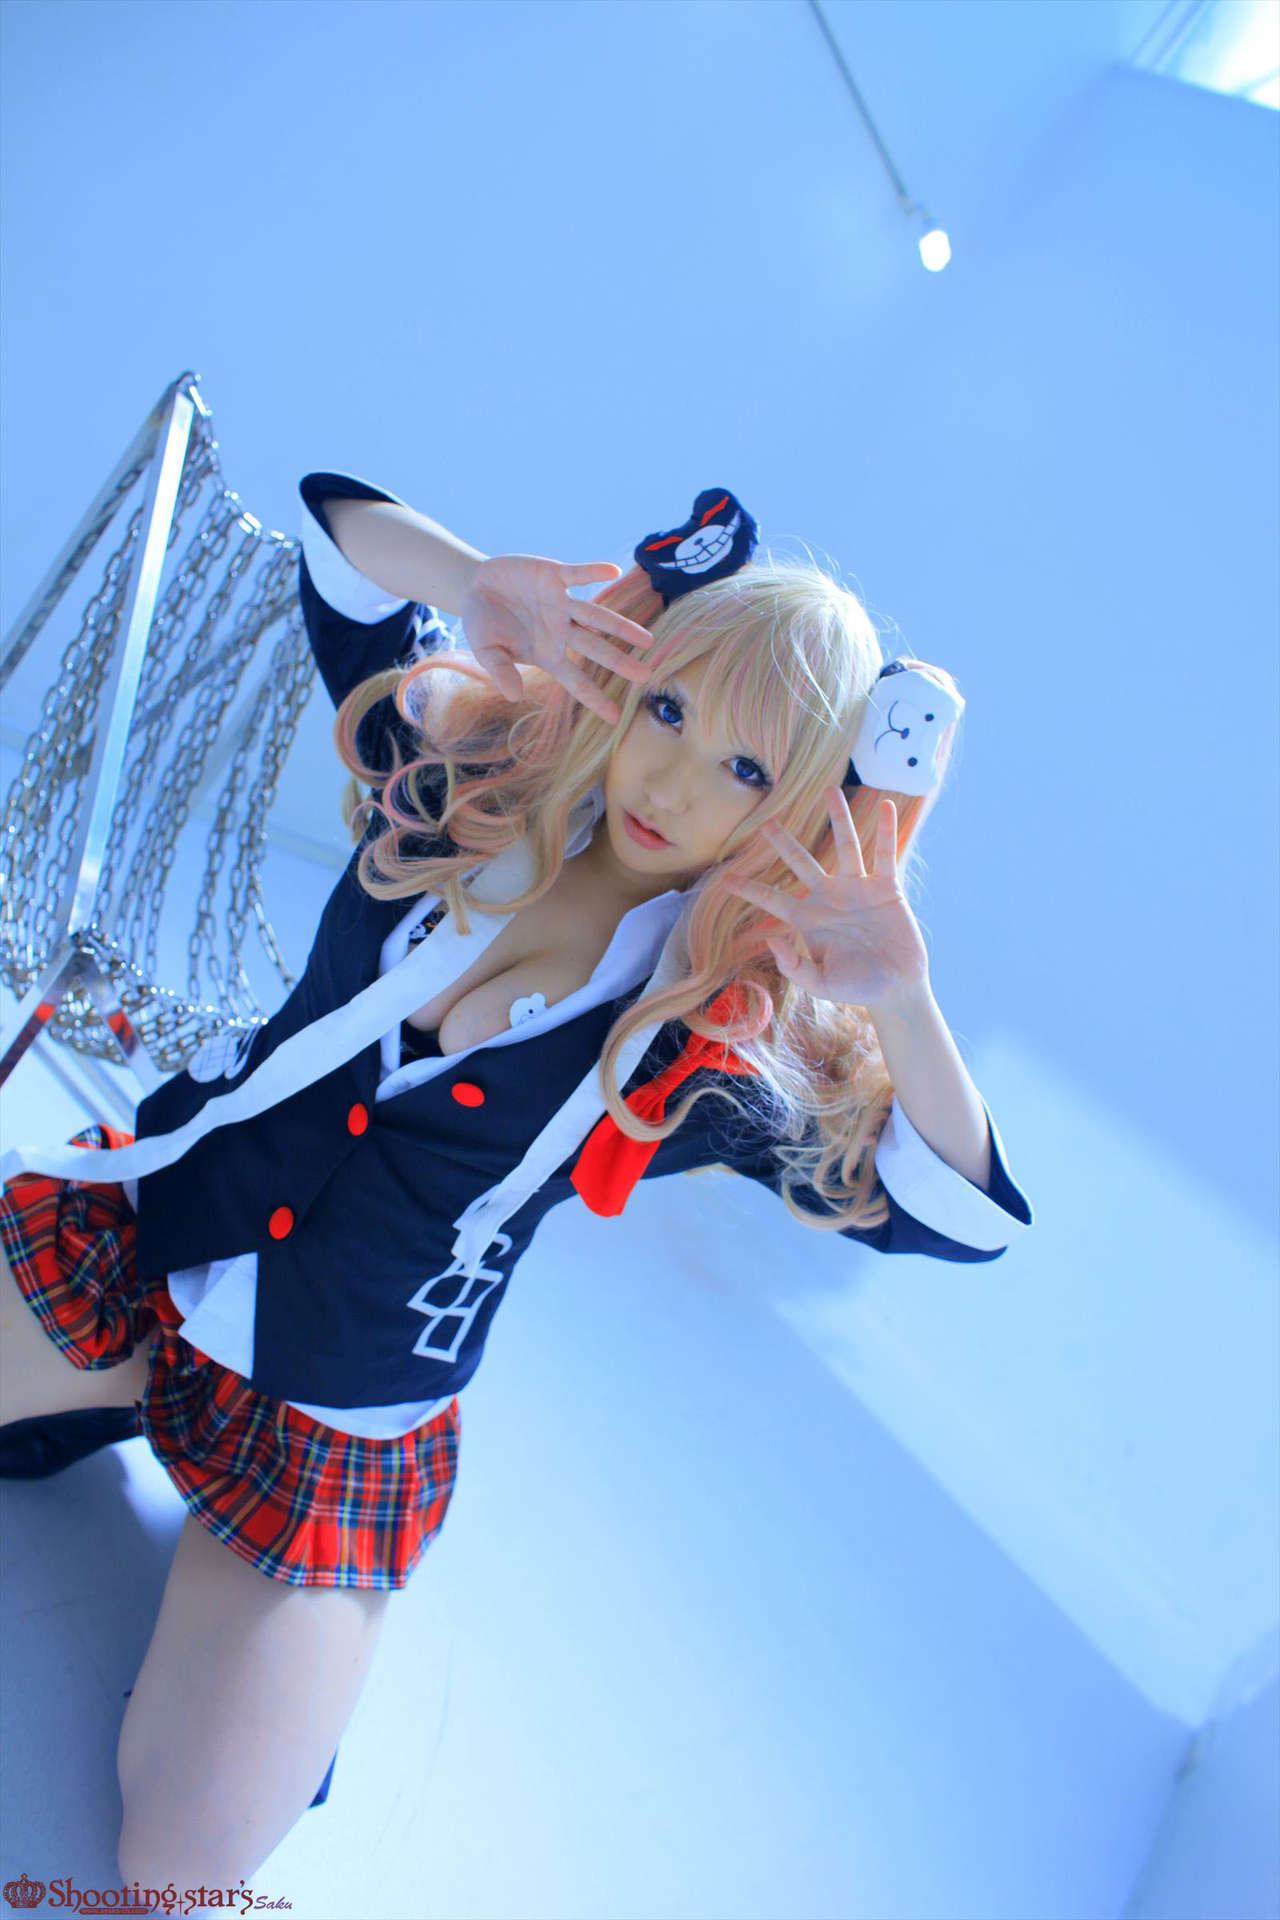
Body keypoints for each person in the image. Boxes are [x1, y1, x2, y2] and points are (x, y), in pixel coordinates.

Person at [0, 469, 1033, 1888]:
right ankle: (97, 1403)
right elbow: (340, 548)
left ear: (800, 807)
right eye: (668, 710)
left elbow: (951, 1214)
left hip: (334, 1411)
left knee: (175, 1868)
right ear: (625, 677)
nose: (674, 782)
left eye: (746, 770)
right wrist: (473, 579)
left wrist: (904, 1000)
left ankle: (279, 1672)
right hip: (152, 1243)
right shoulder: (469, 777)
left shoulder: (703, 1043)